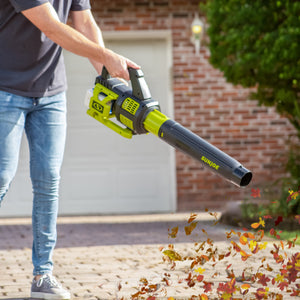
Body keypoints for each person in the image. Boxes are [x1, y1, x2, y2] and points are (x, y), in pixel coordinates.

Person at [0, 0, 140, 299]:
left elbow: (85, 23)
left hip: (51, 93)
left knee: (48, 182)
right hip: (5, 89)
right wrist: (106, 55)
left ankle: (43, 275)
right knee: (1, 178)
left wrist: (109, 77)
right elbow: (51, 26)